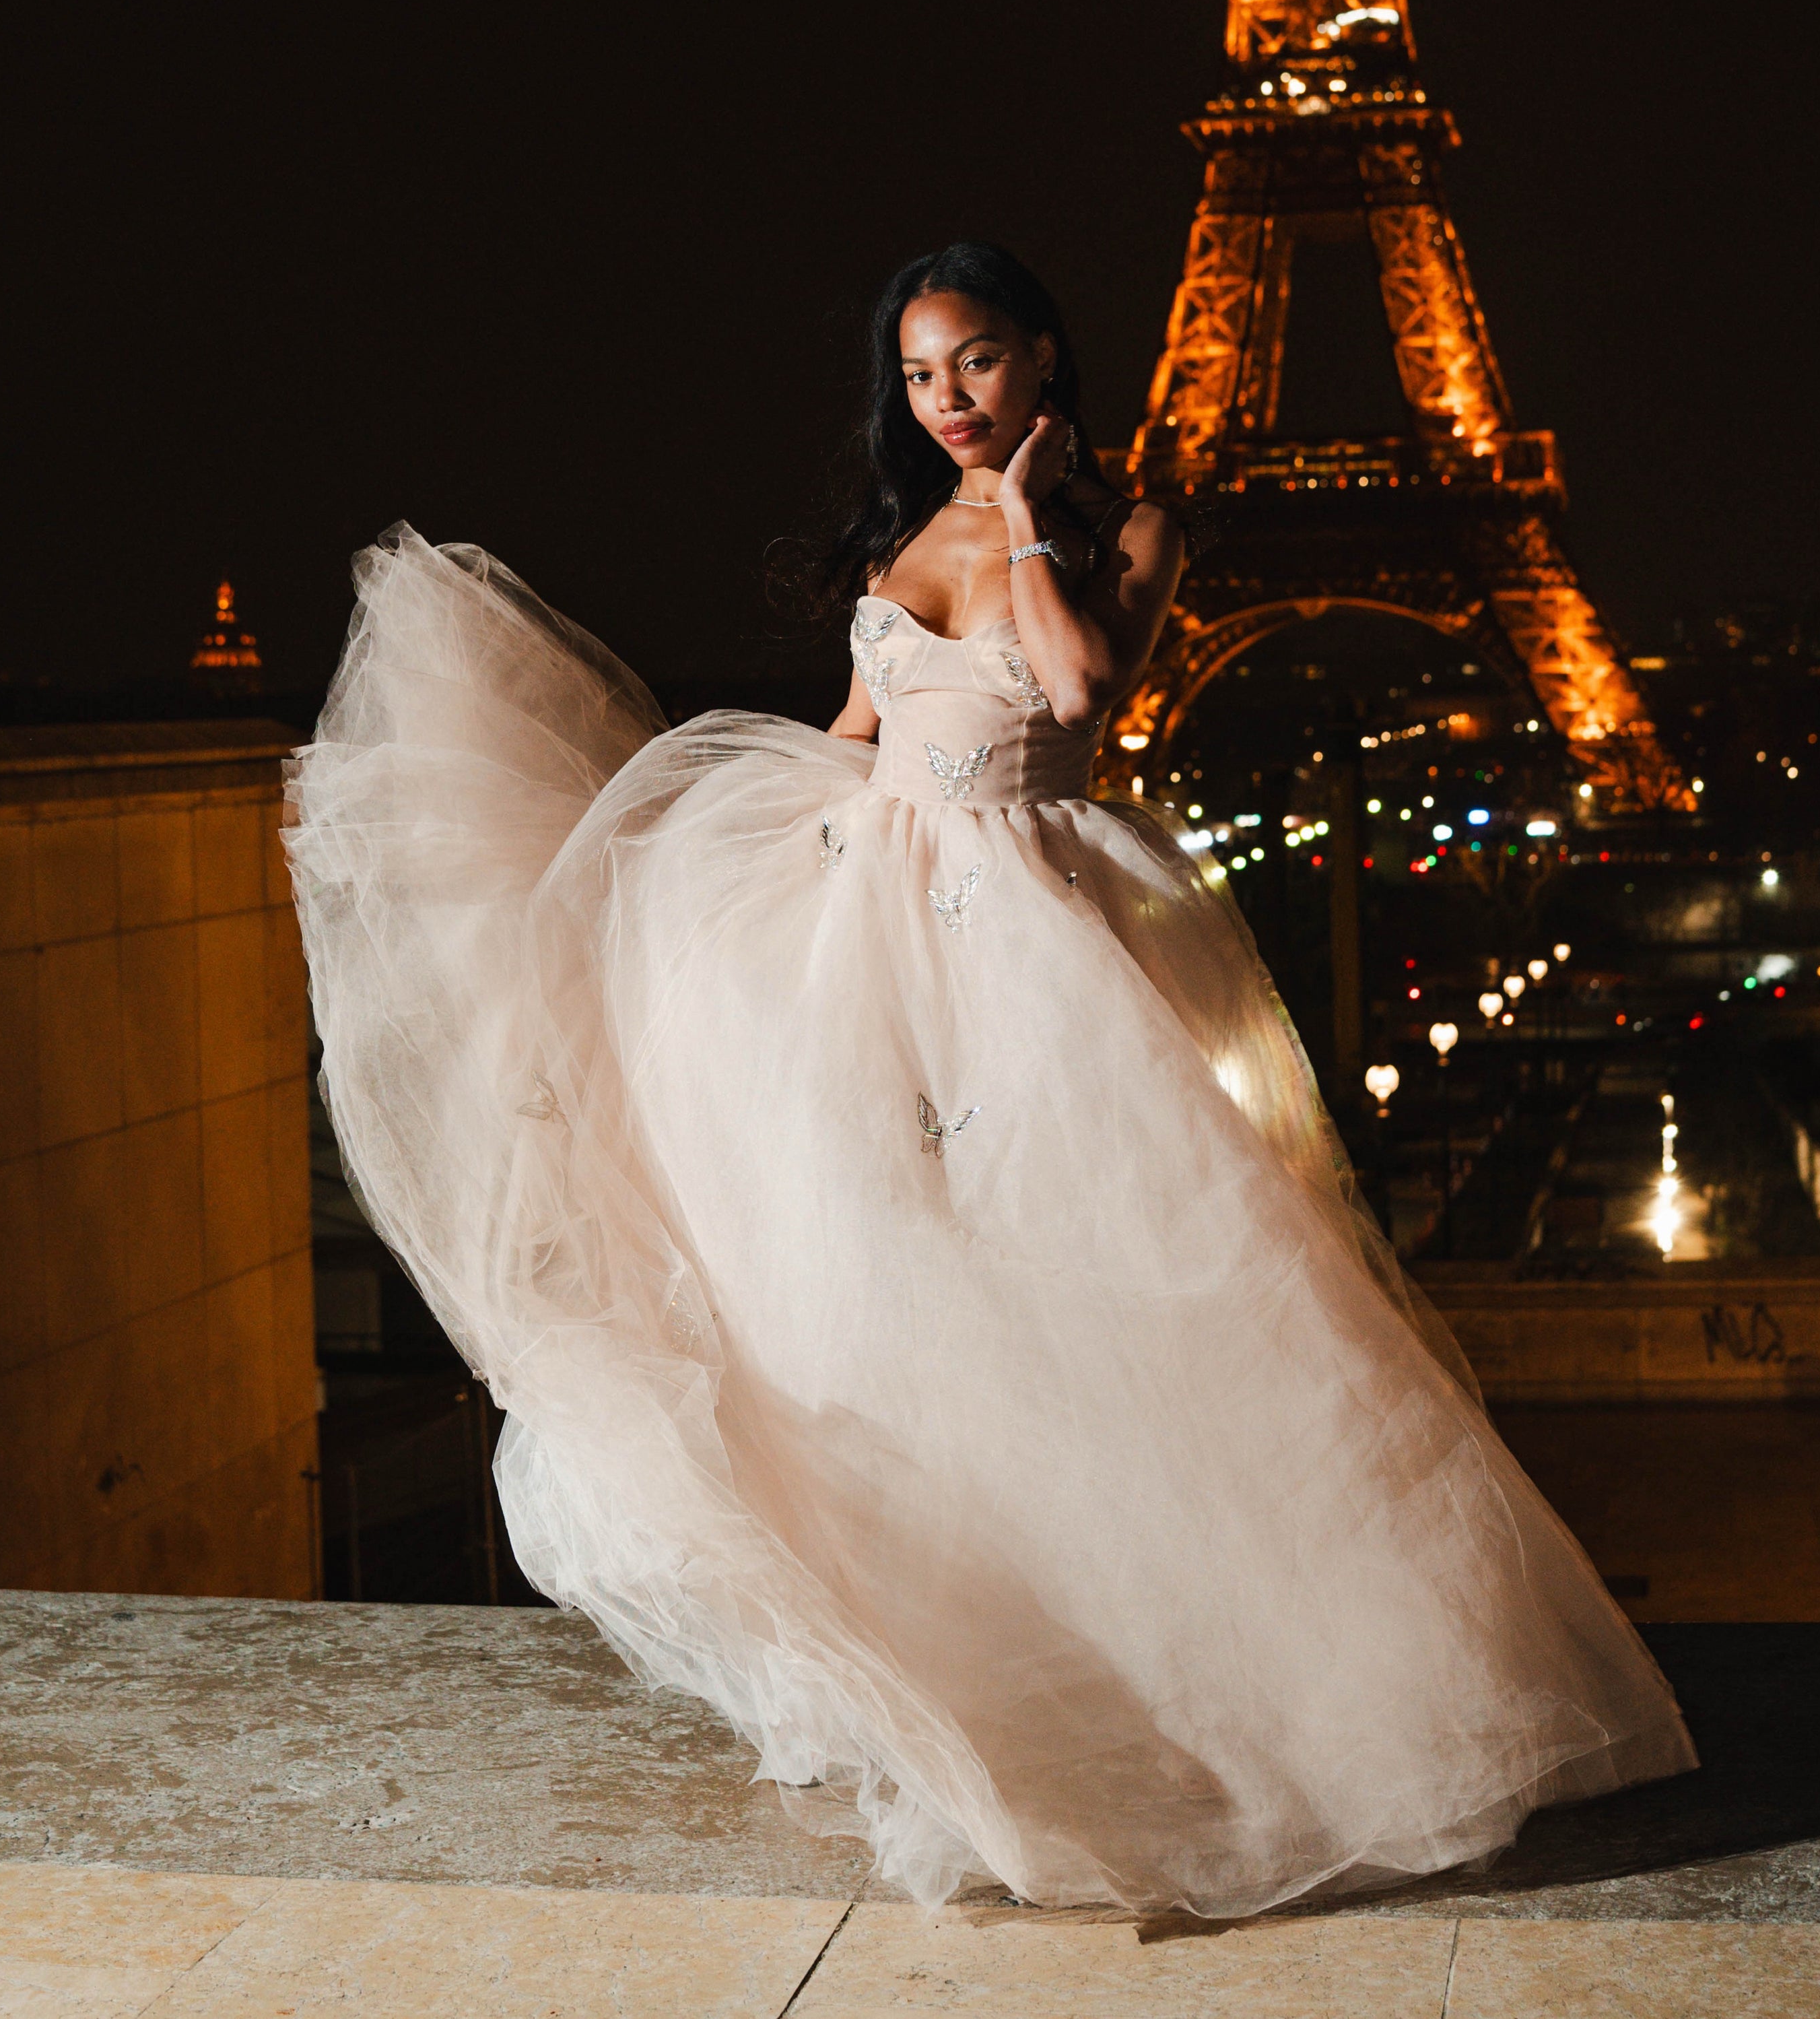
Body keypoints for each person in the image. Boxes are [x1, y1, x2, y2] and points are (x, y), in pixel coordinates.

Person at [289, 240, 1693, 1915]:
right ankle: (949, 1679)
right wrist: (678, 871)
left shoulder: (1133, 530)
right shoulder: (898, 538)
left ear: (1042, 358)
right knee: (876, 1295)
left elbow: (1086, 684)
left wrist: (1025, 516)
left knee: (1090, 1291)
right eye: (917, 374)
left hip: (1034, 935)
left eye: (973, 362)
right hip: (868, 929)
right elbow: (859, 731)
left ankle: (1203, 1699)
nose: (945, 399)